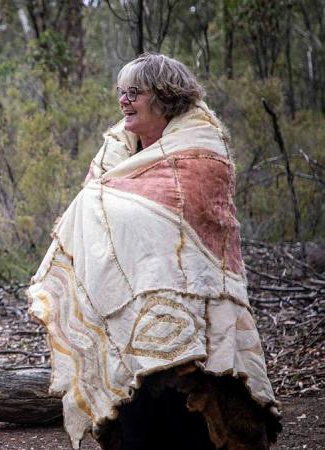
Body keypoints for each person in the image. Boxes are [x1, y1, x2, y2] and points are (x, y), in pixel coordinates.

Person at [27, 53, 281, 450]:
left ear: (165, 96)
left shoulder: (202, 155)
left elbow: (199, 237)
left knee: (192, 423)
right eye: (120, 92)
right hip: (120, 315)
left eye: (135, 92)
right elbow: (94, 216)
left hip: (191, 313)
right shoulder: (114, 154)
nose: (124, 101)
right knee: (135, 423)